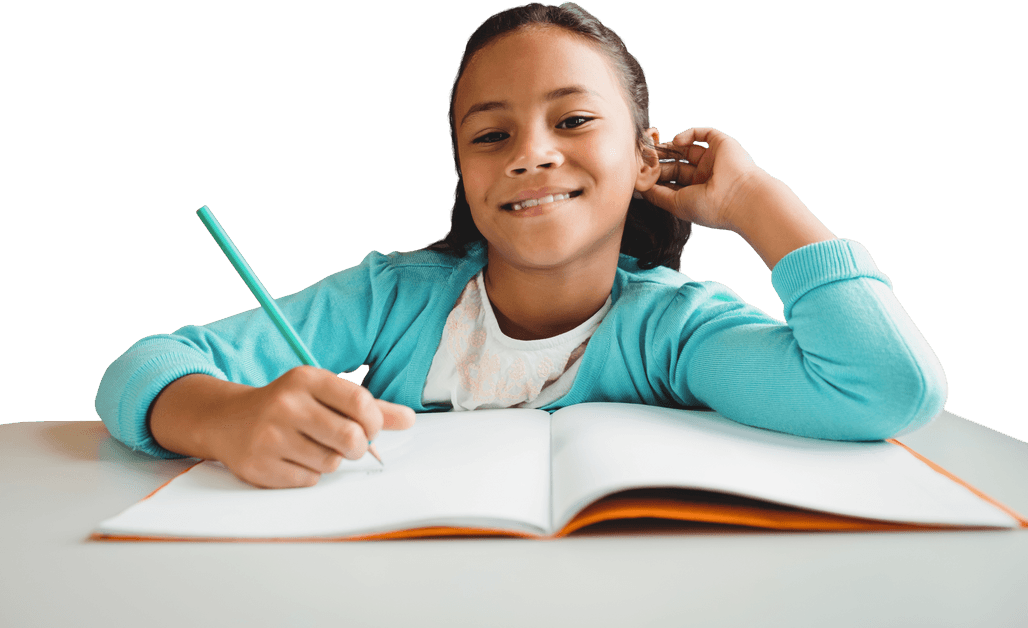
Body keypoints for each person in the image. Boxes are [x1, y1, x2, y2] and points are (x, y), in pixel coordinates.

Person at [95, 2, 947, 489]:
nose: (531, 153)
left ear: (647, 157)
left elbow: (884, 389)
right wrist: (222, 416)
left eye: (573, 121)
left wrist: (758, 201)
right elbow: (141, 368)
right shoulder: (392, 296)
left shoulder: (673, 330)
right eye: (489, 135)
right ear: (463, 171)